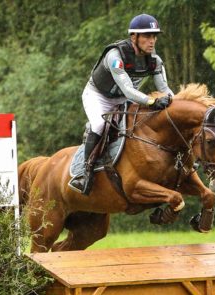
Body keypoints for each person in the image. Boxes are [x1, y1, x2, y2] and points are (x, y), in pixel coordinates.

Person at [69, 13, 174, 195]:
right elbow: (128, 91)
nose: (152, 41)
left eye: (154, 36)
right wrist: (151, 101)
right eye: (147, 36)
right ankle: (85, 173)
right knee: (100, 124)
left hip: (123, 100)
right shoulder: (115, 56)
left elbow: (165, 89)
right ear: (134, 37)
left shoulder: (155, 61)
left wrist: (177, 103)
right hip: (98, 97)